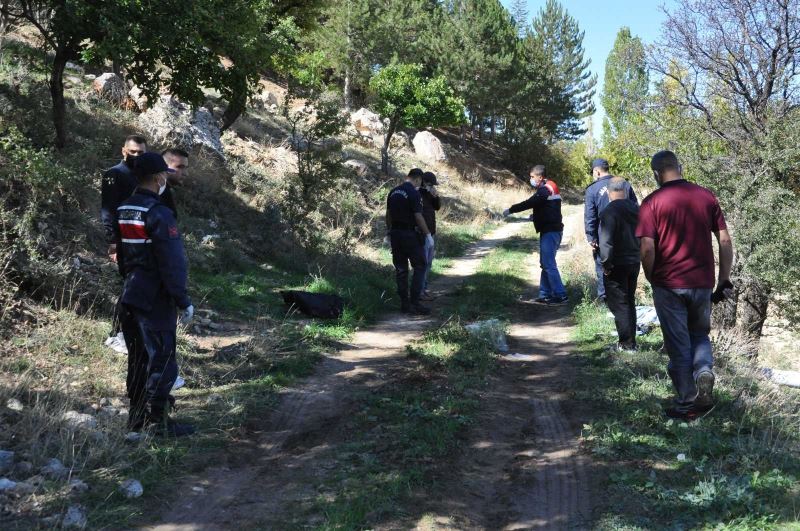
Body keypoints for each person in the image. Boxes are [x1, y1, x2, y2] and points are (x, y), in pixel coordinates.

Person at [636, 150, 734, 421]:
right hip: (702, 282)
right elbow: (725, 241)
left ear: (656, 174)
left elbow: (646, 248)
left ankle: (687, 404)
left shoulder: (652, 202)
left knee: (678, 345)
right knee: (699, 335)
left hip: (669, 284)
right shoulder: (706, 196)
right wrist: (724, 279)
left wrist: (652, 276)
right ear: (680, 166)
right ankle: (704, 371)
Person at [117, 152, 195, 436]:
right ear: (159, 177)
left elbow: (122, 256)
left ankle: (136, 420)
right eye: (164, 174)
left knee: (137, 359)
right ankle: (157, 423)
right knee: (161, 358)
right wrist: (182, 300)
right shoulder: (159, 213)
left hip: (130, 293)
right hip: (154, 297)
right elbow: (171, 262)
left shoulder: (124, 208)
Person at [101, 135, 147, 355]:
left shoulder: (145, 175)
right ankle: (117, 335)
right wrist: (113, 242)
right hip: (123, 241)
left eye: (141, 152)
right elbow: (108, 211)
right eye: (133, 151)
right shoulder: (114, 174)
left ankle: (132, 334)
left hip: (142, 241)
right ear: (123, 151)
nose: (136, 155)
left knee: (137, 288)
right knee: (129, 288)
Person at [502, 165, 568, 305]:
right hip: (551, 230)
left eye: (532, 177)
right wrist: (537, 216)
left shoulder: (545, 189)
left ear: (540, 176)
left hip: (551, 231)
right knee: (545, 263)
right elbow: (549, 208)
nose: (530, 179)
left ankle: (561, 295)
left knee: (548, 264)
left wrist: (511, 210)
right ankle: (545, 295)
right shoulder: (550, 186)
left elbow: (531, 202)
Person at [584, 158, 637, 303]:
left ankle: (604, 300)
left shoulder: (592, 189)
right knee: (627, 271)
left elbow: (590, 216)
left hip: (604, 237)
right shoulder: (623, 184)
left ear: (597, 171)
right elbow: (635, 208)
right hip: (628, 237)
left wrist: (591, 237)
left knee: (603, 268)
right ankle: (627, 300)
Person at [598, 177, 641, 352]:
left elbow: (606, 241)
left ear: (609, 192)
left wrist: (606, 264)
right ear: (625, 190)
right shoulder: (636, 209)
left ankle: (627, 344)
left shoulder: (609, 211)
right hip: (634, 260)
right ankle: (631, 341)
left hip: (617, 263)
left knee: (619, 304)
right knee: (629, 300)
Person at [386, 168, 434, 315]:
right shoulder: (414, 193)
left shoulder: (393, 192)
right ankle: (415, 303)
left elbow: (388, 215)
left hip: (395, 234)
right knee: (420, 266)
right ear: (418, 179)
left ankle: (404, 304)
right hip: (410, 235)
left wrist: (389, 232)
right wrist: (428, 235)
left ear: (408, 177)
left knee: (401, 270)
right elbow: (418, 217)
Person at [420, 171, 441, 301]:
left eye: (433, 185)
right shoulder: (417, 194)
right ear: (424, 182)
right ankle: (420, 290)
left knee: (428, 263)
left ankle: (424, 288)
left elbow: (437, 207)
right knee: (423, 263)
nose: (432, 186)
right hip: (422, 233)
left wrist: (435, 196)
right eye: (430, 184)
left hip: (431, 233)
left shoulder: (430, 195)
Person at [160, 147, 190, 218]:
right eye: (180, 167)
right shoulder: (156, 194)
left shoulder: (164, 191)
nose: (186, 173)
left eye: (186, 168)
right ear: (164, 167)